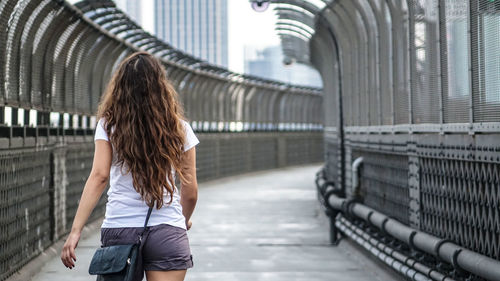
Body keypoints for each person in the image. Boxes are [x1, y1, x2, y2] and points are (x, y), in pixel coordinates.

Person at [60, 52, 199, 281]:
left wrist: (76, 231)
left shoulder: (108, 125)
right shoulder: (180, 129)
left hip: (121, 228)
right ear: (161, 87)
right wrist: (181, 222)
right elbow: (190, 191)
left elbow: (99, 176)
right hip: (167, 230)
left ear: (120, 87)